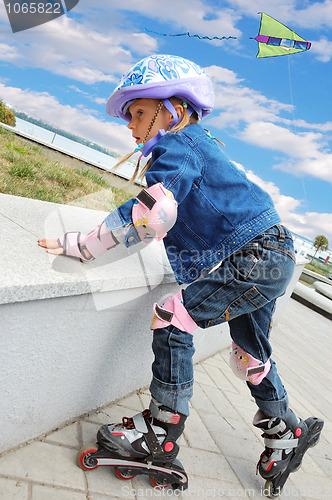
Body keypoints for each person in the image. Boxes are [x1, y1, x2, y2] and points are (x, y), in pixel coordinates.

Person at [38, 54, 322, 489]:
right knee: (250, 356)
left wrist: (84, 244)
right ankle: (288, 432)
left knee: (173, 316)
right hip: (268, 253)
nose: (130, 126)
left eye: (138, 112)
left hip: (255, 256)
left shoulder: (177, 143)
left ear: (172, 108)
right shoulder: (196, 143)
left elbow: (152, 214)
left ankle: (161, 432)